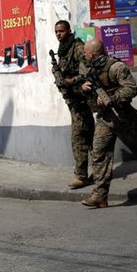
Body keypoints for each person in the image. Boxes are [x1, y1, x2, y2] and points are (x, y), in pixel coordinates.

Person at [79, 38, 137, 208]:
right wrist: (84, 87)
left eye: (86, 52)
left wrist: (111, 99)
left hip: (123, 118)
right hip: (105, 119)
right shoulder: (90, 68)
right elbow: (83, 83)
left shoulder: (116, 67)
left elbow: (131, 89)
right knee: (99, 153)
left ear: (93, 53)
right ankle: (100, 195)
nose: (84, 54)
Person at [52, 20, 93, 189]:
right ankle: (99, 170)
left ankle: (81, 176)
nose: (58, 34)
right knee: (90, 136)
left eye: (61, 31)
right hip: (73, 100)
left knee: (79, 137)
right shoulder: (63, 50)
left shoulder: (76, 48)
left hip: (81, 99)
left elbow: (88, 71)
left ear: (69, 31)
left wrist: (70, 81)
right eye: (56, 31)